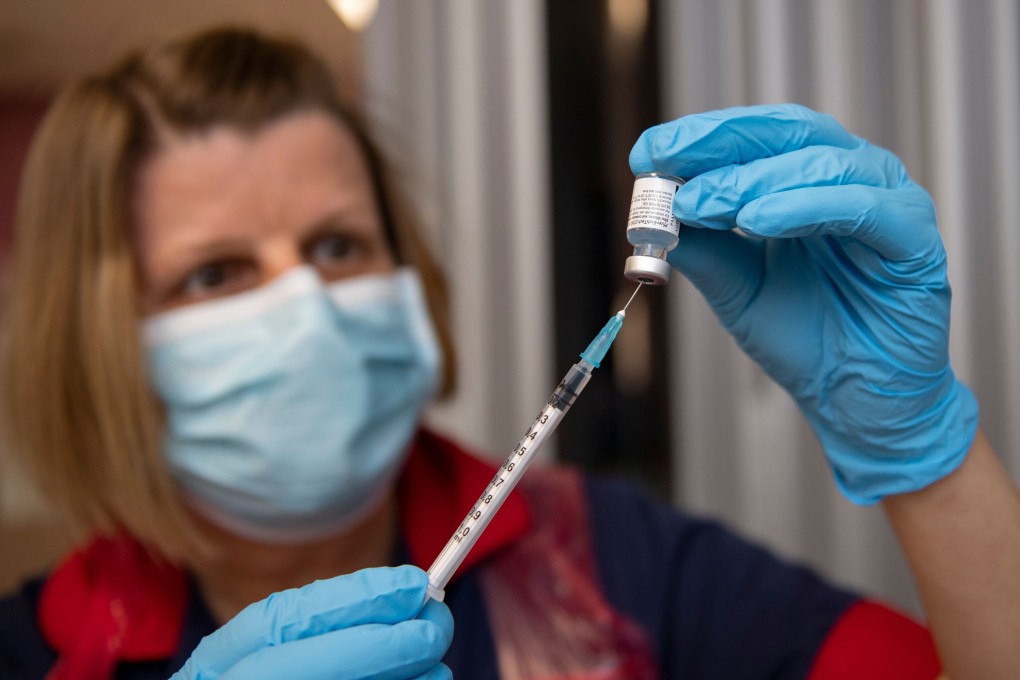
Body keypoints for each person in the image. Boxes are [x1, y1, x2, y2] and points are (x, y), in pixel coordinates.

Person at [0, 26, 1017, 680]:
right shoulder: (31, 645)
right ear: (91, 344)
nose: (303, 304)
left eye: (338, 245)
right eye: (217, 272)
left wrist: (926, 451)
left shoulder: (621, 568)